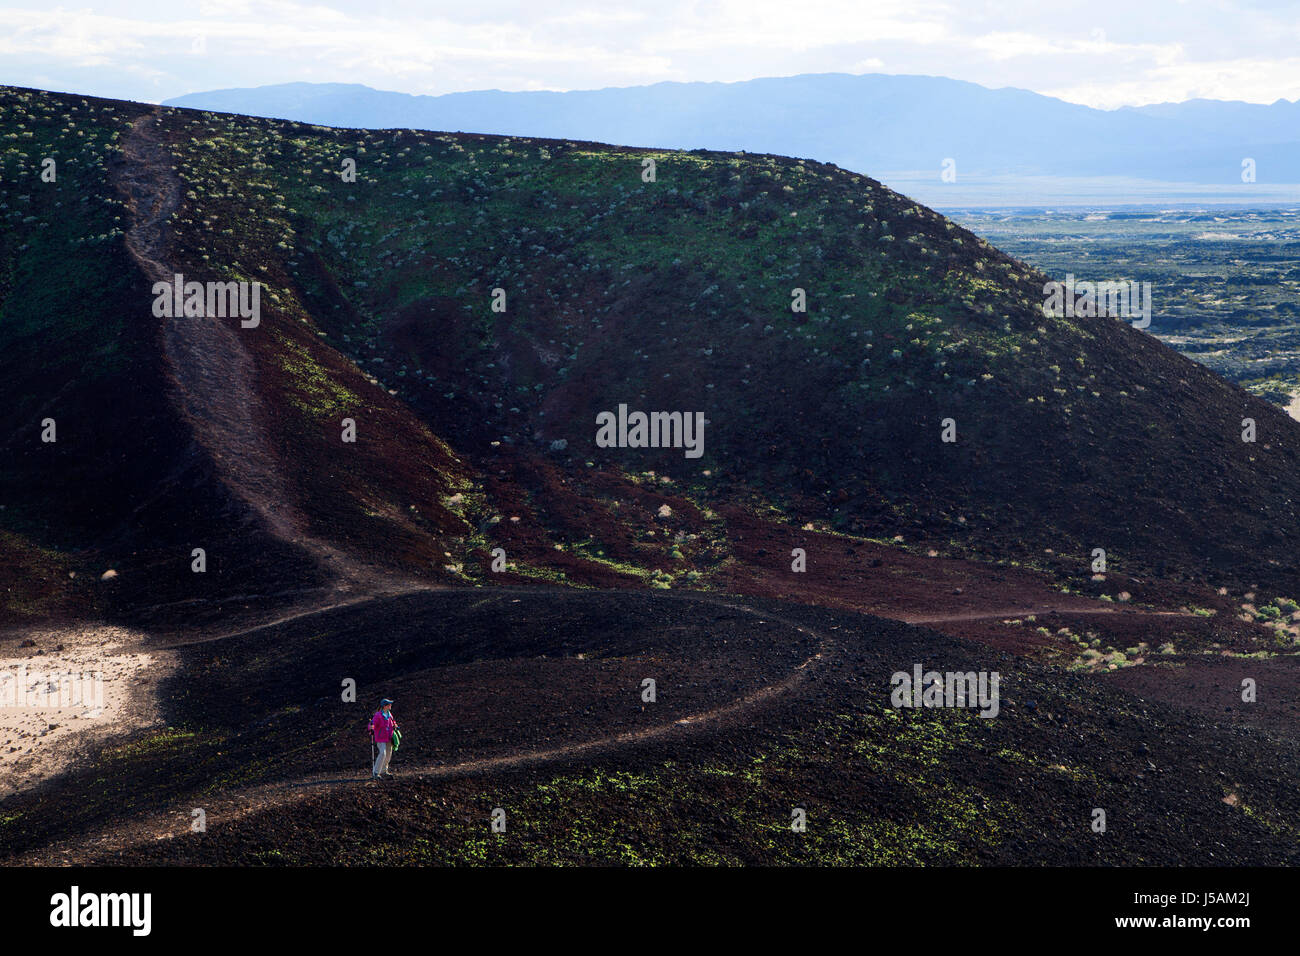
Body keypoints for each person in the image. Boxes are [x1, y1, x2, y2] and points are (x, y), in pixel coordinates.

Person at [369, 698, 400, 779]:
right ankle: (376, 772)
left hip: (389, 737)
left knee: (388, 755)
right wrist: (371, 728)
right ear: (384, 706)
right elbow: (372, 723)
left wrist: (395, 726)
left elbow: (393, 722)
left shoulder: (389, 714)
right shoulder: (378, 715)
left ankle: (383, 771)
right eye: (389, 704)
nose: (390, 705)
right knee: (383, 753)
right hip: (381, 738)